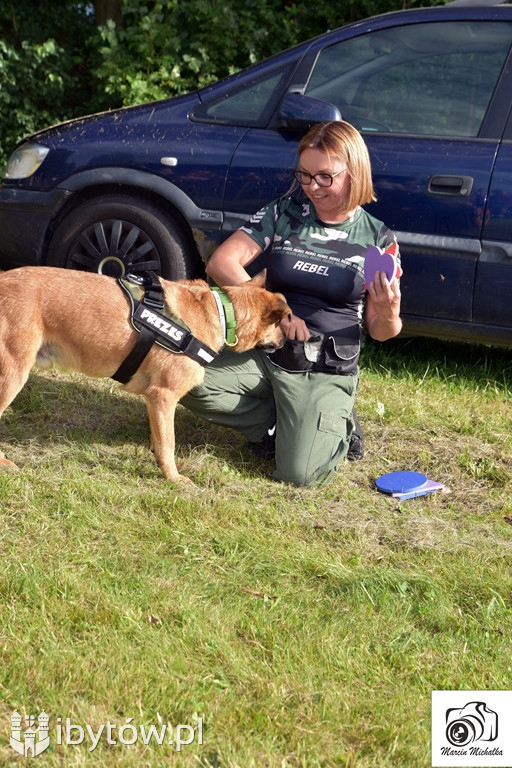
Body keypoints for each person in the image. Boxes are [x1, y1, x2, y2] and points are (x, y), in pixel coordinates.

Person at [181, 120, 402, 486]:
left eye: (325, 177)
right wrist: (282, 316)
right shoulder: (285, 211)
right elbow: (221, 263)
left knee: (299, 476)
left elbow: (382, 332)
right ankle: (276, 425)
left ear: (354, 172)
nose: (312, 187)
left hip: (324, 366)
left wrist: (390, 312)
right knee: (185, 377)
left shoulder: (378, 240)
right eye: (305, 175)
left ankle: (337, 423)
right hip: (268, 349)